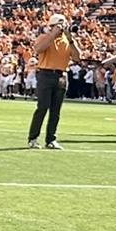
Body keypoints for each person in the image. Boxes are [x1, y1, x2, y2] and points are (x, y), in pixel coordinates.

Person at [28, 11, 81, 149]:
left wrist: (71, 39)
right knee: (42, 107)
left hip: (62, 75)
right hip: (45, 74)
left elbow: (77, 57)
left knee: (56, 111)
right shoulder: (44, 37)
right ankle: (33, 138)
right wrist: (52, 34)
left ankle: (51, 139)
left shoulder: (67, 41)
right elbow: (38, 49)